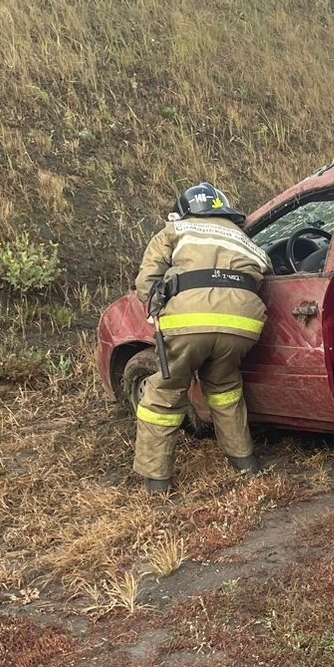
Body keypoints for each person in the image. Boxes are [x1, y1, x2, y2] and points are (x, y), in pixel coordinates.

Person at [132, 183, 272, 494]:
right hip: (243, 324)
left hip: (189, 320)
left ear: (184, 211)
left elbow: (148, 278)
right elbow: (265, 268)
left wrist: (154, 307)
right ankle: (244, 463)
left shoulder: (176, 229)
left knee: (165, 393)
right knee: (225, 388)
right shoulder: (243, 237)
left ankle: (157, 480)